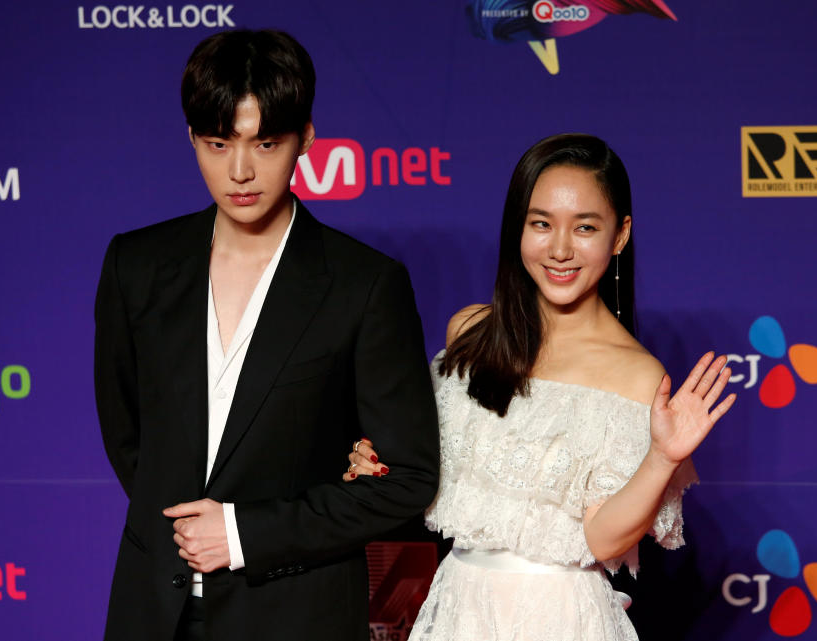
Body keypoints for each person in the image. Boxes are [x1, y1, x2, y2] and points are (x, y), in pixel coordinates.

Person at [94, 29, 439, 641]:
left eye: (266, 143)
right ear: (192, 138)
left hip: (295, 613)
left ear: (306, 137)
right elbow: (132, 442)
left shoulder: (364, 284)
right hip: (151, 609)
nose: (240, 171)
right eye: (217, 143)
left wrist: (244, 533)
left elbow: (408, 482)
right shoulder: (136, 265)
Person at [345, 133, 736, 640]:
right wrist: (379, 465)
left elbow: (602, 539)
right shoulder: (470, 333)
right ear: (518, 230)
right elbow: (432, 477)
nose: (559, 249)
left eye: (585, 227)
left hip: (563, 618)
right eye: (541, 224)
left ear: (619, 236)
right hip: (458, 607)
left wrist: (662, 459)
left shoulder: (638, 375)